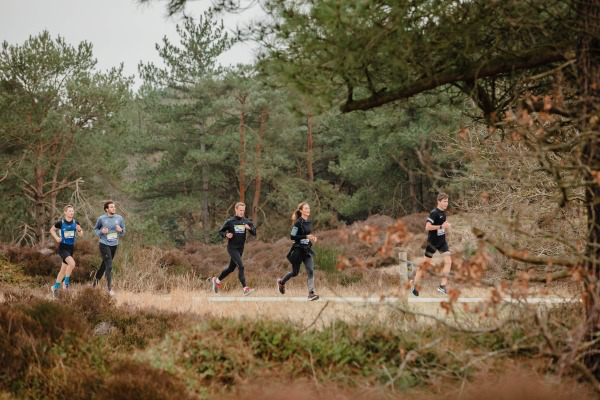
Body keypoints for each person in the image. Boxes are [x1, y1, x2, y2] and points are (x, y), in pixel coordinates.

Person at [411, 193, 452, 296]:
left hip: (442, 242)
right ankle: (414, 284)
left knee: (448, 262)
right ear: (439, 202)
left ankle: (442, 286)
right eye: (444, 201)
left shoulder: (443, 212)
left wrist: (445, 225)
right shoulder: (434, 213)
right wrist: (441, 227)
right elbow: (427, 227)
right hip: (432, 243)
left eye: (447, 201)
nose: (446, 203)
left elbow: (441, 225)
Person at [277, 202, 319, 301]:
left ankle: (311, 294)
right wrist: (306, 236)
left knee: (310, 270)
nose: (308, 210)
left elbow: (307, 235)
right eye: (306, 208)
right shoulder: (298, 223)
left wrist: (312, 237)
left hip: (306, 250)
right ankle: (281, 282)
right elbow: (292, 236)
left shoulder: (308, 222)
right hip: (298, 251)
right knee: (295, 273)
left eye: (309, 208)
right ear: (301, 211)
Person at [212, 202, 256, 295]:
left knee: (231, 269)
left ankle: (217, 280)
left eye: (243, 210)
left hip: (240, 248)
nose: (242, 212)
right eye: (240, 210)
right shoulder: (230, 221)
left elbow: (254, 232)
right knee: (241, 266)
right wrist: (226, 234)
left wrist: (249, 229)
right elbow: (220, 231)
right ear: (236, 210)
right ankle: (245, 289)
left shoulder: (246, 221)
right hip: (232, 248)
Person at [49, 204, 83, 298]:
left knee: (63, 270)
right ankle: (66, 283)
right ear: (65, 212)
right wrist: (57, 238)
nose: (72, 212)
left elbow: (81, 235)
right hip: (63, 248)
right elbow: (52, 230)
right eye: (70, 211)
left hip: (71, 248)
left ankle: (55, 288)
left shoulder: (76, 222)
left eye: (72, 211)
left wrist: (79, 230)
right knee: (72, 264)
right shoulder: (61, 223)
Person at [93, 201, 125, 296]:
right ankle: (109, 289)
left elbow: (123, 232)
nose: (114, 208)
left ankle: (94, 285)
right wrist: (101, 232)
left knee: (104, 266)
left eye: (114, 207)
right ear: (106, 209)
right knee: (109, 265)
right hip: (104, 244)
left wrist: (121, 230)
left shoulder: (119, 218)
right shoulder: (101, 219)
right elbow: (95, 230)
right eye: (111, 207)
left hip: (114, 245)